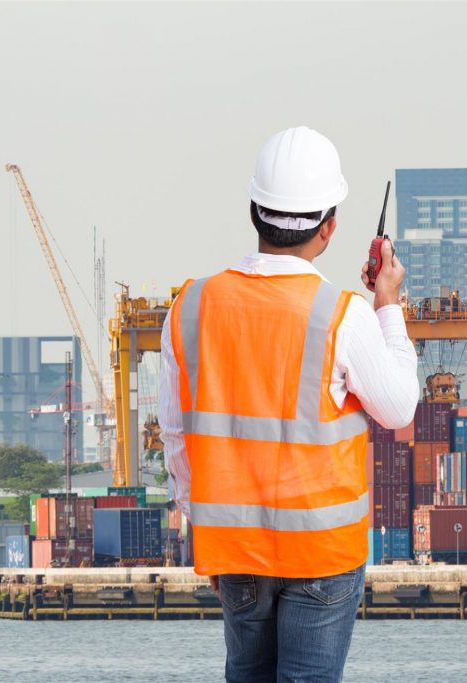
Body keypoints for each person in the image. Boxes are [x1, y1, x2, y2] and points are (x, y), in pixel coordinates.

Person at [158, 125, 419, 683]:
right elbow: (398, 408)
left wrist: (205, 530)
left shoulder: (190, 307)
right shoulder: (343, 314)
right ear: (329, 228)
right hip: (323, 557)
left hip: (235, 550)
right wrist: (388, 305)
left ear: (255, 209)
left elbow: (175, 438)